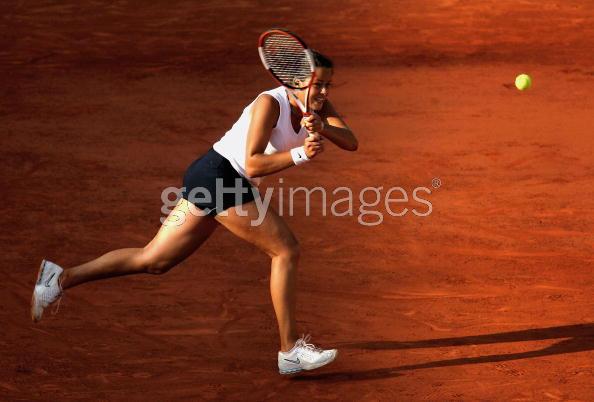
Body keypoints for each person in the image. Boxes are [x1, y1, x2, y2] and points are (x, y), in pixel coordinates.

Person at [31, 50, 358, 375]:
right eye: (319, 85)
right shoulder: (269, 104)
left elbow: (350, 141)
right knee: (285, 249)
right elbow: (254, 161)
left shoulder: (317, 105)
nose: (325, 92)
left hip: (214, 177)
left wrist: (322, 127)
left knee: (154, 260)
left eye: (328, 85)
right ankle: (289, 351)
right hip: (220, 176)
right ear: (295, 81)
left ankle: (58, 279)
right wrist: (301, 153)